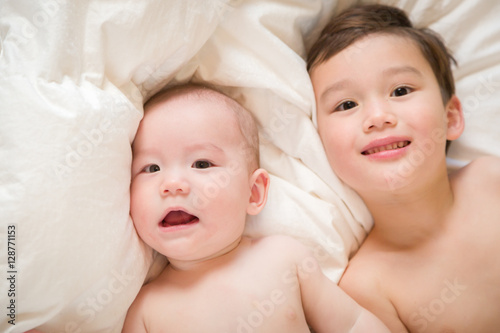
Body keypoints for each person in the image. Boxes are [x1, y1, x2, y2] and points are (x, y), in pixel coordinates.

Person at [122, 84, 389, 333]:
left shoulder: (284, 257)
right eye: (151, 168)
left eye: (202, 164)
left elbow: (353, 323)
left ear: (254, 192)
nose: (172, 184)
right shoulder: (146, 310)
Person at [307, 4, 500, 332]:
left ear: (450, 117)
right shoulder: (365, 290)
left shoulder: (491, 180)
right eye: (347, 104)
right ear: (319, 143)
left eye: (400, 90)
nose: (378, 116)